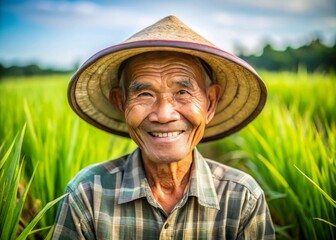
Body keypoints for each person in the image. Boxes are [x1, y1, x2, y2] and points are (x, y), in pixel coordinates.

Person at [52, 16, 275, 239]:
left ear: (210, 103)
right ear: (121, 103)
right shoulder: (87, 195)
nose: (164, 115)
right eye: (144, 94)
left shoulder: (242, 198)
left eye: (182, 92)